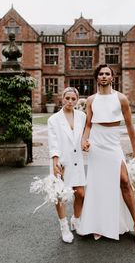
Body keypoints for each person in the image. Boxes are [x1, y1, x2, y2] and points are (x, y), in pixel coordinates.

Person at [78, 64, 135, 246]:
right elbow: (89, 124)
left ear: (112, 77)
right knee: (98, 184)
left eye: (107, 74)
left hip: (113, 143)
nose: (104, 76)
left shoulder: (121, 98)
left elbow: (130, 126)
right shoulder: (91, 100)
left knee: (124, 181)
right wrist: (84, 140)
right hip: (97, 143)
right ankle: (99, 225)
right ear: (97, 78)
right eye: (101, 74)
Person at [48, 87, 86, 243]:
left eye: (73, 99)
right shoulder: (54, 119)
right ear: (62, 98)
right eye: (67, 98)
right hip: (61, 161)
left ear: (77, 100)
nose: (70, 101)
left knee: (81, 194)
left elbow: (86, 135)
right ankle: (64, 227)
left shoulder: (82, 116)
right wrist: (56, 160)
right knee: (61, 196)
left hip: (77, 160)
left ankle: (76, 220)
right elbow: (53, 141)